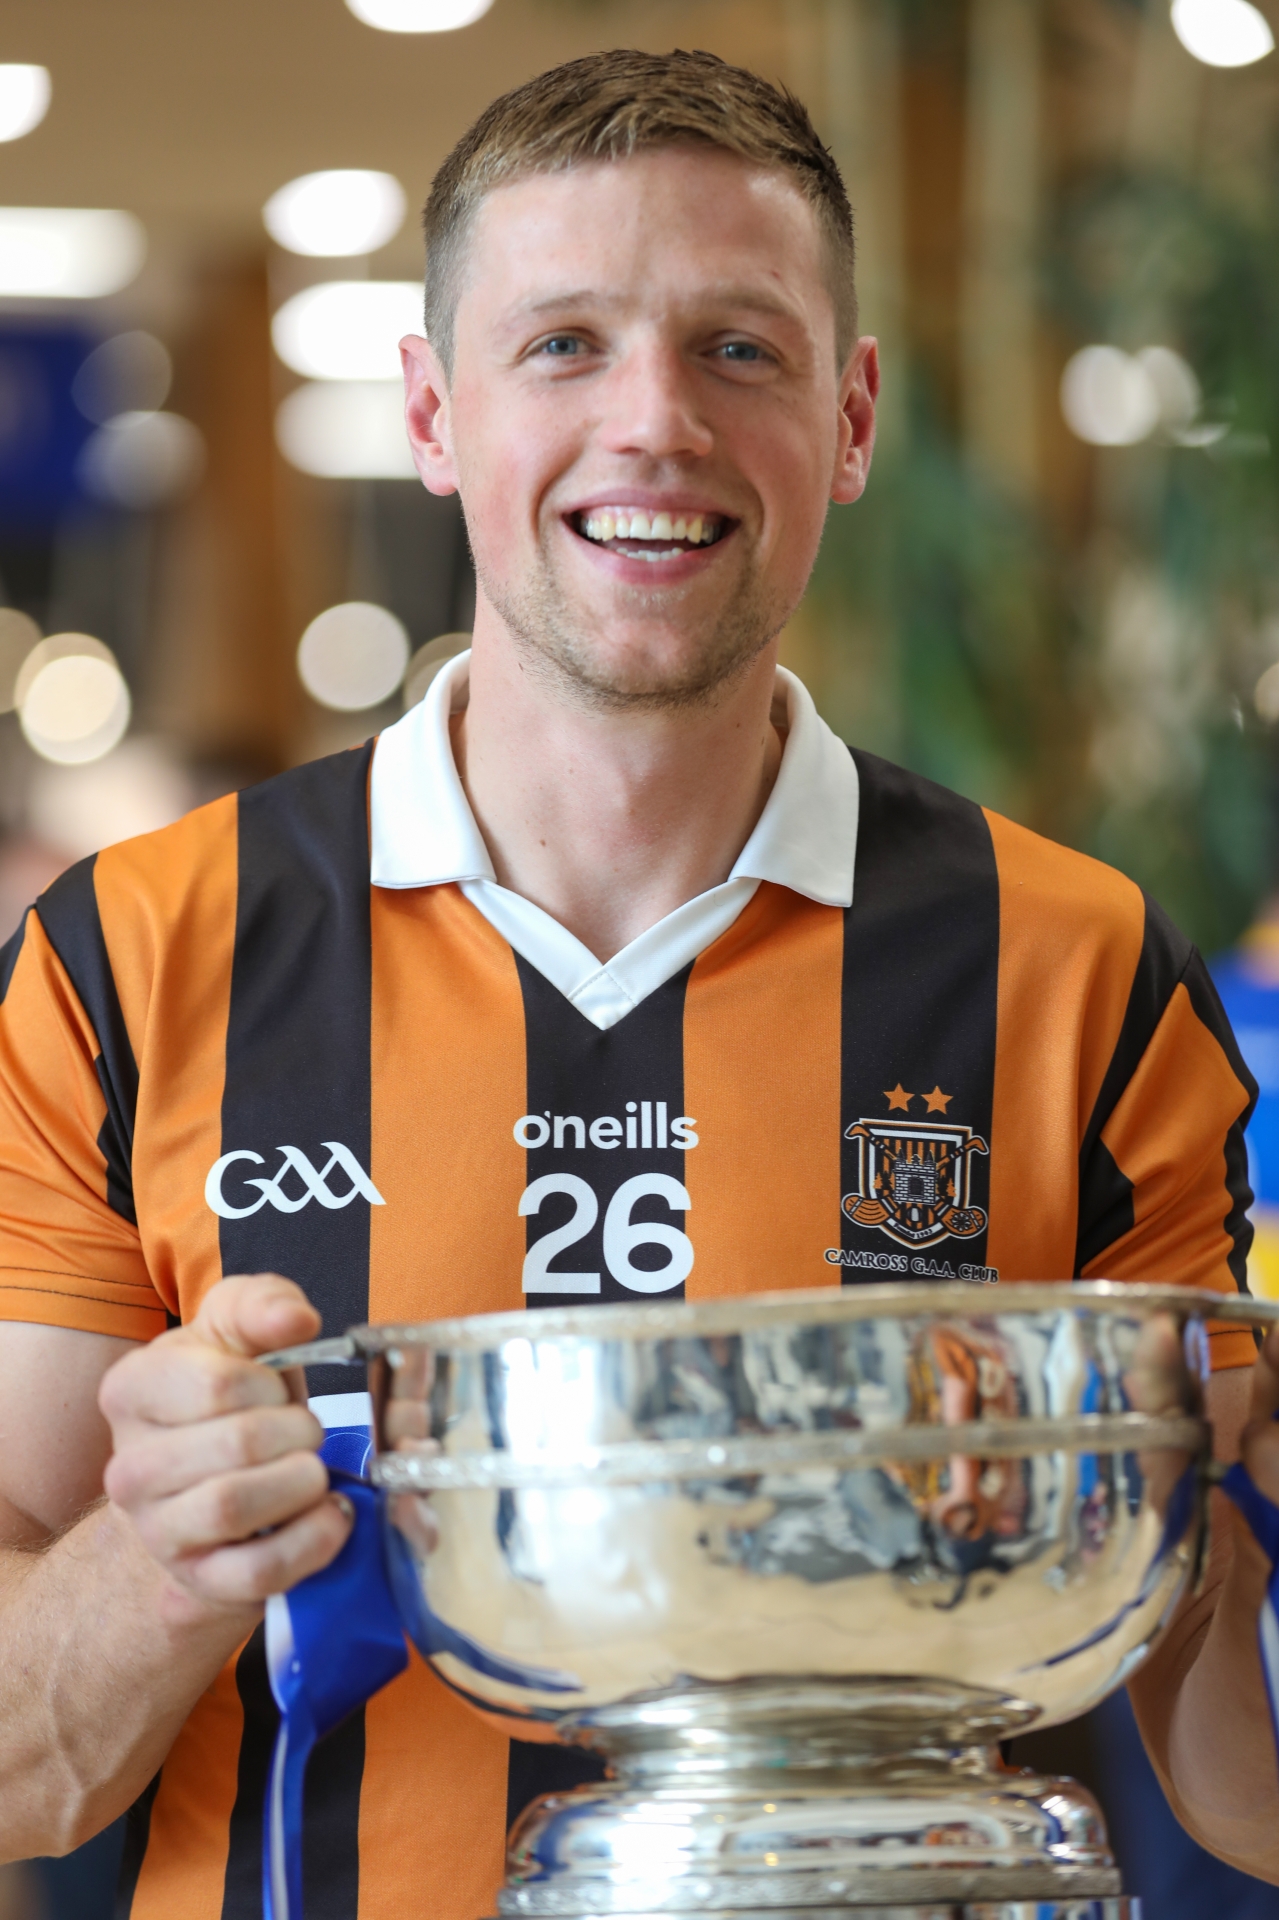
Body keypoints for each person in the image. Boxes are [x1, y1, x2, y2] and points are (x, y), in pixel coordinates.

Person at [0, 46, 1264, 1920]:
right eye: (564, 344)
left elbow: (1238, 1778)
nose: (655, 420)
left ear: (849, 419)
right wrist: (159, 1557)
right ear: (433, 412)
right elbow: (21, 1778)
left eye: (739, 348)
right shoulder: (125, 957)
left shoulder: (1076, 967)